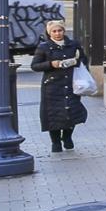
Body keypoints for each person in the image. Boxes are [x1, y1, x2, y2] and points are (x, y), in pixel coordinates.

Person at [31, 19, 87, 152]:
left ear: (64, 31)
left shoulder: (73, 45)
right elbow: (35, 66)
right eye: (54, 31)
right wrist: (51, 64)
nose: (57, 33)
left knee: (71, 112)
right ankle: (55, 142)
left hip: (70, 84)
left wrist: (76, 62)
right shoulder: (44, 47)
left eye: (60, 30)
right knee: (53, 115)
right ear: (49, 33)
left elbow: (83, 60)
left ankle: (67, 137)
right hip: (52, 87)